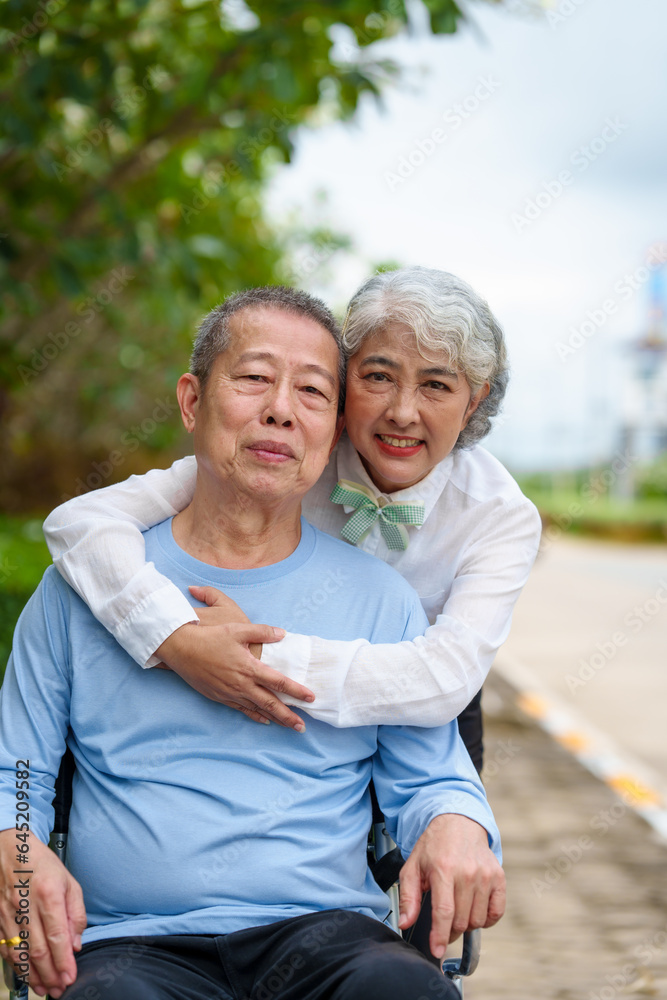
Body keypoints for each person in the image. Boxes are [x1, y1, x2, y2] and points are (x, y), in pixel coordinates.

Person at [0, 286, 504, 1000]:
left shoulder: (380, 599)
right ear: (191, 402)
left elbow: (430, 778)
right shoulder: (80, 590)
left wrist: (456, 820)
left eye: (310, 391)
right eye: (254, 378)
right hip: (131, 945)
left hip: (328, 938)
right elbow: (15, 774)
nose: (279, 409)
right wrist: (15, 851)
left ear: (332, 432)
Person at [43, 267, 542, 769]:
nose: (403, 413)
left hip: (420, 717)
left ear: (474, 400)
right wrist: (173, 635)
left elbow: (445, 679)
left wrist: (260, 659)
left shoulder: (499, 515)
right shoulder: (286, 454)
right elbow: (81, 522)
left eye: (435, 385)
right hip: (259, 714)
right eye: (379, 377)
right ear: (344, 384)